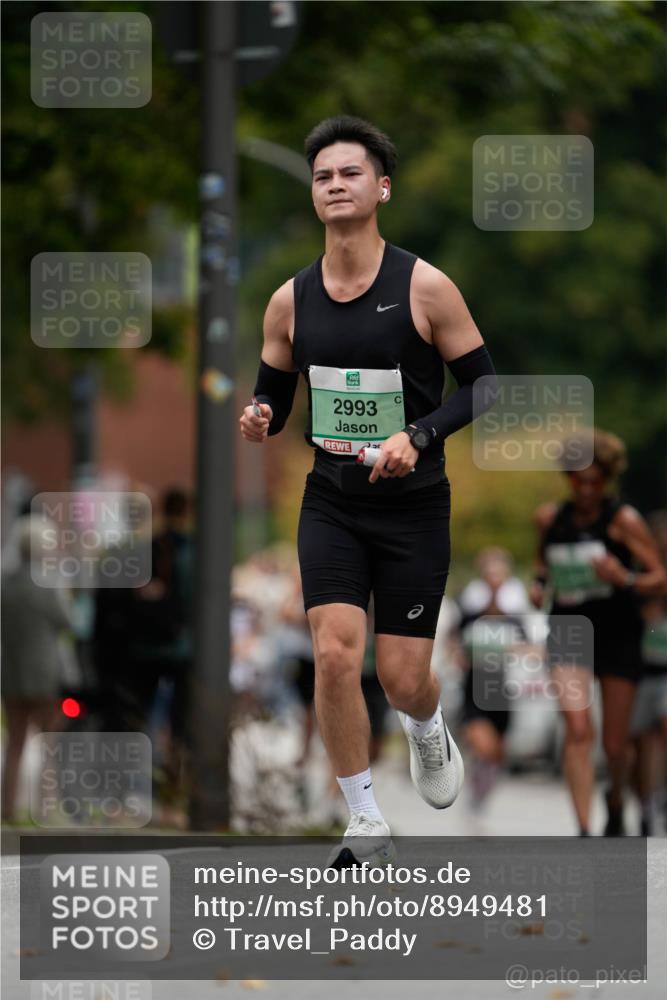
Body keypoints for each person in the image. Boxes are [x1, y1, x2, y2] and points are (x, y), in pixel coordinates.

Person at [239, 116, 497, 865]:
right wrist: (259, 419)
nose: (334, 185)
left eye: (349, 173)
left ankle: (424, 725)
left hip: (414, 507)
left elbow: (483, 388)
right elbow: (274, 401)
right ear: (314, 195)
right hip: (333, 500)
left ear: (380, 187)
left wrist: (416, 437)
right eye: (322, 176)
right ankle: (363, 817)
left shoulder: (423, 286)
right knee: (332, 653)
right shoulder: (289, 301)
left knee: (401, 675)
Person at [530, 430, 666, 836]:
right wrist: (538, 585)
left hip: (618, 630)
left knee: (614, 744)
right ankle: (584, 828)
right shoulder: (550, 518)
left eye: (596, 482)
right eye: (578, 480)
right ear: (567, 478)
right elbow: (542, 565)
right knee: (576, 730)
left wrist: (622, 577)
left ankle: (616, 799)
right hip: (569, 628)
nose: (587, 490)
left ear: (607, 480)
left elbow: (660, 577)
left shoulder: (623, 520)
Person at [1, 515, 75, 822]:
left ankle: (7, 808)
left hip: (11, 670)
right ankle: (46, 808)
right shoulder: (48, 585)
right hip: (45, 673)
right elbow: (68, 622)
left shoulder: (5, 586)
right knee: (50, 743)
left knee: (15, 742)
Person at [456, 547, 530, 809]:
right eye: (490, 573)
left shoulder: (515, 619)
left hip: (504, 691)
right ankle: (474, 794)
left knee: (496, 754)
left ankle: (480, 793)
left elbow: (531, 650)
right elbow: (454, 645)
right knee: (483, 746)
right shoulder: (470, 615)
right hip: (474, 689)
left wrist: (513, 652)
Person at [629, 511, 667, 835]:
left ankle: (659, 799)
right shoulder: (639, 578)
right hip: (639, 671)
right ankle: (644, 803)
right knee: (637, 747)